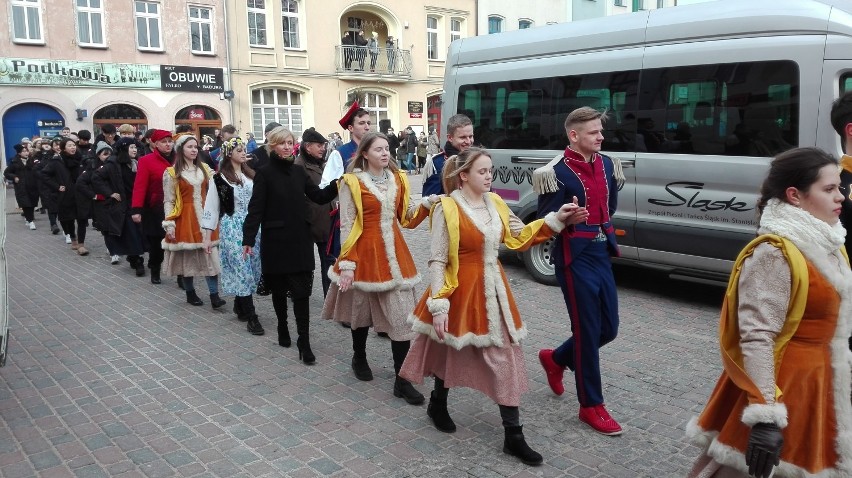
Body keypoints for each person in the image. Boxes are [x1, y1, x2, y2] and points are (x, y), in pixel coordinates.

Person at [400, 147, 587, 466]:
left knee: (504, 357)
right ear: (463, 176)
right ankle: (437, 403)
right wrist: (440, 304)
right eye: (483, 171)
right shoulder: (447, 207)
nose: (490, 176)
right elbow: (438, 258)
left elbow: (518, 236)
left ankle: (513, 435)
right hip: (457, 288)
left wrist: (557, 220)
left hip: (493, 291)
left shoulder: (496, 203)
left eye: (491, 170)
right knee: (449, 350)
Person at [686, 147, 852, 478]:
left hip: (818, 382)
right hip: (782, 388)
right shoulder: (774, 253)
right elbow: (758, 335)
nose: (842, 197)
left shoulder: (829, 240)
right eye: (829, 189)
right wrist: (765, 415)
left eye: (841, 188)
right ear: (795, 195)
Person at [320, 132, 433, 405]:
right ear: (365, 153)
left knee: (401, 317)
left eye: (387, 149)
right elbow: (346, 223)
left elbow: (405, 218)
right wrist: (347, 264)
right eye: (379, 149)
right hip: (363, 253)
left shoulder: (399, 179)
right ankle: (359, 356)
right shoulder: (351, 183)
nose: (385, 153)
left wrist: (427, 205)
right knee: (360, 310)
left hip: (394, 254)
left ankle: (402, 380)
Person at [534, 107, 623, 436]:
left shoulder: (608, 164)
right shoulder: (554, 173)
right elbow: (543, 222)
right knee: (587, 331)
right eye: (593, 132)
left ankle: (556, 359)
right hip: (573, 257)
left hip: (602, 251)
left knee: (608, 329)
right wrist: (563, 219)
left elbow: (609, 207)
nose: (601, 137)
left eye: (600, 131)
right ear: (574, 136)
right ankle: (591, 405)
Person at [242, 126, 338, 364]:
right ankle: (283, 326)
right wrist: (248, 238)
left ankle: (304, 342)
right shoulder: (263, 173)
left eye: (290, 142)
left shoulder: (298, 172)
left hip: (299, 239)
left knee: (301, 293)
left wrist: (338, 184)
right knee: (278, 291)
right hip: (275, 241)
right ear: (272, 145)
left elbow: (318, 196)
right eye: (282, 143)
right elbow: (256, 208)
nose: (287, 146)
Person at [202, 137, 265, 336]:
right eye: (239, 149)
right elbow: (211, 207)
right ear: (229, 153)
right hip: (233, 226)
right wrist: (207, 236)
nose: (243, 152)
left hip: (254, 226)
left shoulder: (251, 175)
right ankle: (252, 316)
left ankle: (240, 303)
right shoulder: (220, 179)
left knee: (254, 268)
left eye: (244, 149)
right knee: (241, 267)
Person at [162, 134, 224, 308]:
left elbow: (219, 184)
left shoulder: (204, 168)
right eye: (190, 147)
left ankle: (214, 296)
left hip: (206, 216)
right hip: (186, 217)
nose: (194, 150)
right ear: (181, 150)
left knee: (210, 256)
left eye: (195, 147)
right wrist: (169, 223)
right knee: (187, 259)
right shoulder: (172, 173)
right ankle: (190, 293)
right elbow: (169, 200)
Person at [92, 139, 147, 273]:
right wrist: (109, 193)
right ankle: (137, 260)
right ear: (124, 149)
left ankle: (135, 257)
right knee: (132, 234)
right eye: (132, 147)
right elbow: (96, 178)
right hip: (124, 205)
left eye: (136, 147)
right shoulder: (113, 164)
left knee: (141, 233)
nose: (135, 150)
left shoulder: (136, 163)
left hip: (138, 203)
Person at [294, 127, 334, 297]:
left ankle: (330, 299)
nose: (323, 148)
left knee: (329, 261)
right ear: (308, 147)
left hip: (324, 220)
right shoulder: (299, 165)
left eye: (323, 145)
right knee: (305, 263)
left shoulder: (320, 163)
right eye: (319, 145)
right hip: (310, 222)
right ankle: (298, 293)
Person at [132, 129, 174, 285]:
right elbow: (140, 186)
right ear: (156, 144)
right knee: (157, 243)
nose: (168, 144)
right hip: (155, 208)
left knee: (179, 241)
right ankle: (155, 269)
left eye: (170, 141)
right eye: (164, 142)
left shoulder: (179, 159)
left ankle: (182, 276)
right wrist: (136, 209)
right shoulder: (146, 161)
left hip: (177, 207)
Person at [41, 138, 84, 253]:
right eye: (69, 145)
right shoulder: (57, 161)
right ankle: (73, 238)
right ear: (63, 148)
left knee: (81, 219)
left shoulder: (80, 159)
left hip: (80, 194)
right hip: (65, 195)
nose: (73, 147)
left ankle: (81, 242)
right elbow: (44, 175)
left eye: (74, 145)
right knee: (67, 219)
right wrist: (56, 186)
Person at [422, 114, 475, 195]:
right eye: (463, 137)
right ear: (450, 138)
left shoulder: (478, 159)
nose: (468, 141)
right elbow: (430, 202)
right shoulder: (437, 163)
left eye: (470, 136)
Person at [4, 144, 40, 230]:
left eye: (27, 151)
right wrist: (14, 177)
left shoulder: (32, 160)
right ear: (19, 153)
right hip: (21, 186)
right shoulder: (14, 162)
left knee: (32, 203)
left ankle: (29, 218)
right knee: (25, 203)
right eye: (24, 151)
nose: (26, 153)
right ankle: (31, 221)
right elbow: (7, 173)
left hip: (32, 185)